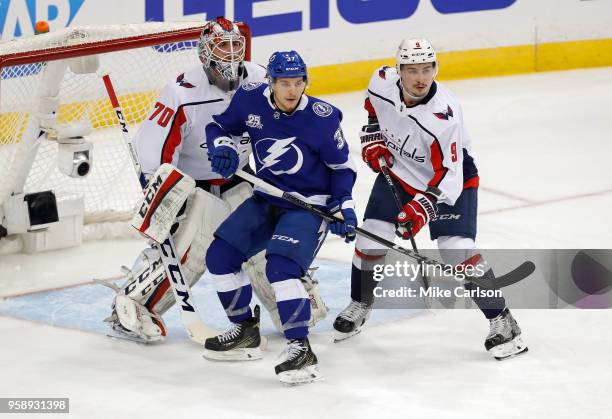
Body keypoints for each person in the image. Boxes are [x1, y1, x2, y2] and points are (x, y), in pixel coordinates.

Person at [102, 18, 327, 343]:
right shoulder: (181, 93)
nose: (232, 55)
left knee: (264, 246)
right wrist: (163, 198)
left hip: (242, 179)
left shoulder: (263, 79)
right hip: (193, 187)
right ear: (205, 55)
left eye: (236, 46)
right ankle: (132, 305)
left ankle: (288, 307)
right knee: (192, 251)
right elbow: (153, 153)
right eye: (223, 47)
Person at [333, 38, 527, 361]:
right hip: (400, 171)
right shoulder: (381, 81)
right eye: (413, 71)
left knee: (456, 252)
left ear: (435, 69)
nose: (421, 78)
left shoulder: (443, 117)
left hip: (450, 179)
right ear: (399, 72)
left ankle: (503, 321)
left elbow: (449, 177)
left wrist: (421, 209)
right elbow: (373, 110)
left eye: (427, 69)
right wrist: (372, 138)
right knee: (371, 240)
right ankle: (361, 302)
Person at [201, 50, 357, 384]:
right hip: (267, 197)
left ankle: (300, 347)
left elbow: (342, 168)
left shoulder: (322, 117)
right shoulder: (249, 100)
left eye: (298, 82)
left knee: (281, 268)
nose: (291, 90)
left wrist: (343, 204)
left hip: (308, 206)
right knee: (220, 256)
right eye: (284, 82)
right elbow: (218, 126)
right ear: (270, 82)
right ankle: (244, 329)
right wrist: (223, 147)